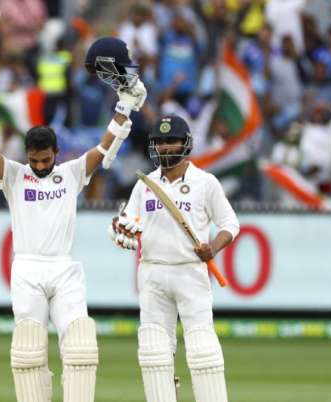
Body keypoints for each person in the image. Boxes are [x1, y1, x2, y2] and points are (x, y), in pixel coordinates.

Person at [0, 38, 147, 402]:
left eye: (45, 160)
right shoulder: (13, 174)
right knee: (28, 352)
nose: (40, 167)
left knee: (81, 347)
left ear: (56, 153)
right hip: (26, 270)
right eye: (35, 160)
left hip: (63, 268)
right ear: (27, 155)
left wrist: (125, 106)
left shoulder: (71, 173)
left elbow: (106, 148)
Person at [109, 115, 239, 402]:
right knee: (155, 353)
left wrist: (213, 248)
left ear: (186, 144)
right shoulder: (144, 184)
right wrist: (121, 231)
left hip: (190, 272)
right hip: (153, 272)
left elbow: (231, 224)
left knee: (202, 350)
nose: (166, 148)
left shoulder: (205, 182)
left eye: (172, 141)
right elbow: (127, 224)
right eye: (160, 142)